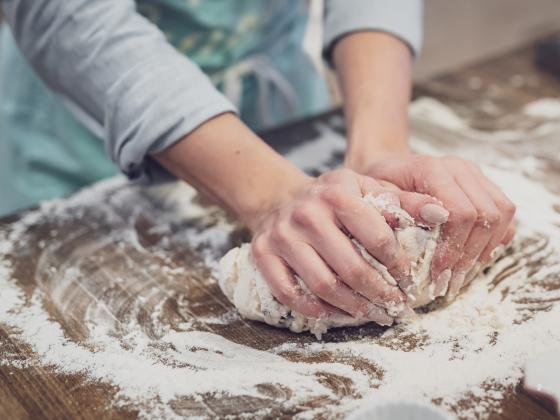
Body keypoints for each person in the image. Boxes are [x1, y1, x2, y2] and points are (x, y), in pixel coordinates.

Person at [0, 0, 516, 323]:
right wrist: (272, 194)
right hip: (87, 125)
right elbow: (66, 13)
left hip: (276, 105)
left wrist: (379, 150)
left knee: (326, 229)